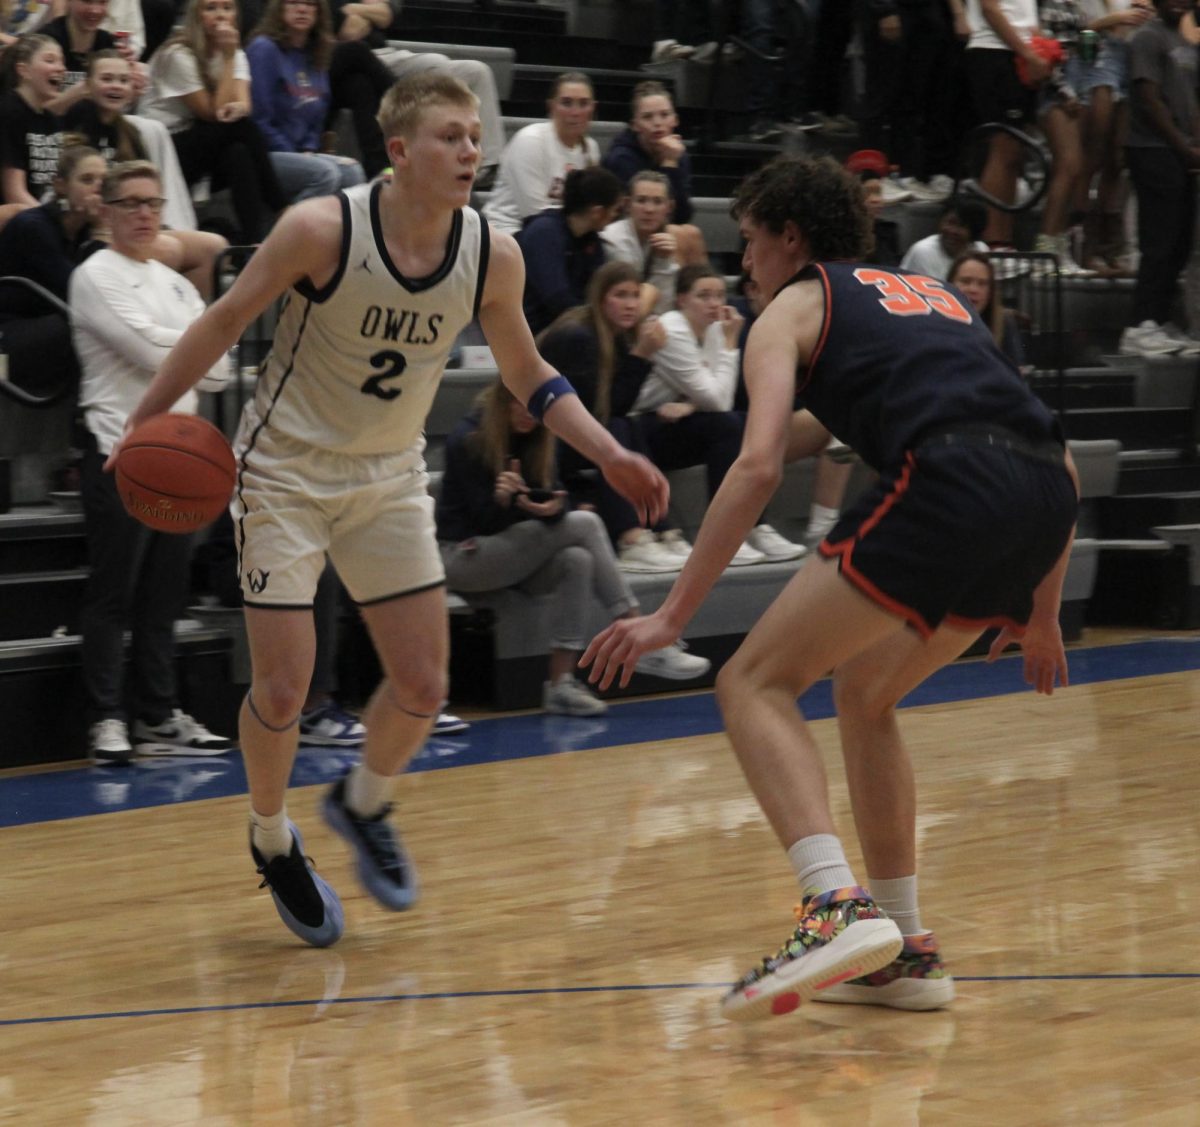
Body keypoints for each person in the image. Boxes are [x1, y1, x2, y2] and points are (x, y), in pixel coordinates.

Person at [109, 74, 668, 947]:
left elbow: (528, 375)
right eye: (451, 137)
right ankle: (270, 837)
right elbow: (222, 322)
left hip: (388, 477)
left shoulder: (494, 251)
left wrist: (612, 451)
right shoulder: (320, 229)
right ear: (399, 151)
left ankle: (360, 802)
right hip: (284, 473)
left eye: (476, 137)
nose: (471, 152)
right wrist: (146, 419)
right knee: (286, 688)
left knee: (423, 684)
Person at [582, 154, 1079, 1022]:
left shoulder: (792, 307)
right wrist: (1044, 613)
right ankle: (905, 952)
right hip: (1041, 498)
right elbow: (1053, 449)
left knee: (751, 679)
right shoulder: (934, 299)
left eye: (749, 243)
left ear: (791, 237)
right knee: (865, 691)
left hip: (951, 480)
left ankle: (833, 907)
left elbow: (758, 464)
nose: (743, 264)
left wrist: (671, 613)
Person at [69, 159, 234, 764]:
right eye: (130, 202)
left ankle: (159, 717)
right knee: (115, 593)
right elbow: (151, 350)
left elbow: (217, 372)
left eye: (152, 202)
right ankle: (107, 720)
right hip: (119, 452)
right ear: (105, 210)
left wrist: (187, 350)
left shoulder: (176, 284)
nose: (143, 213)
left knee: (165, 597)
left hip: (181, 461)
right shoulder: (94, 275)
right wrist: (193, 346)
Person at [437, 378, 711, 717]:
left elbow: (552, 497)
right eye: (517, 404)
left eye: (533, 408)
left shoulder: (539, 437)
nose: (526, 414)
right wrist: (502, 499)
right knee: (587, 524)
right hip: (463, 556)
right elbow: (479, 519)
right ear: (501, 401)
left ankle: (561, 684)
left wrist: (553, 510)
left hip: (512, 556)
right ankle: (638, 631)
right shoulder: (470, 437)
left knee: (576, 560)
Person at [141, 0, 287, 244]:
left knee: (238, 152)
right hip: (166, 145)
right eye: (211, 8)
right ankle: (281, 206)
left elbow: (243, 106)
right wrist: (228, 59)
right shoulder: (177, 53)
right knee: (239, 129)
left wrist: (231, 61)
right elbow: (215, 113)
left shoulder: (235, 51)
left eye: (227, 8)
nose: (220, 15)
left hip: (207, 140)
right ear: (196, 16)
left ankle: (252, 244)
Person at [1118, 0, 1199, 357]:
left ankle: (1158, 320)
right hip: (1152, 148)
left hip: (1182, 152)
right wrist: (1182, 147)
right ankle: (1139, 326)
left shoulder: (1185, 40)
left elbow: (1189, 101)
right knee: (1160, 241)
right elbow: (1149, 99)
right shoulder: (1147, 37)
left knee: (1180, 242)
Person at [0, 143, 105, 398]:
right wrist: (104, 231)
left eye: (104, 181)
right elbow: (82, 291)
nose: (98, 188)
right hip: (5, 340)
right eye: (87, 179)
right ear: (60, 186)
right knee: (86, 324)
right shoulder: (33, 227)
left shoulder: (83, 233)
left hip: (39, 330)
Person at [246, 0, 366, 202]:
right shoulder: (264, 49)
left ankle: (334, 232)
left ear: (318, 12)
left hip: (302, 154)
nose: (302, 9)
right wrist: (296, 154)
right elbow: (258, 120)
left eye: (310, 4)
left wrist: (309, 149)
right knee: (326, 174)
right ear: (280, 8)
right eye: (293, 2)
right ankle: (290, 230)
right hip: (267, 153)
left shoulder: (317, 52)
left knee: (353, 172)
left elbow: (318, 116)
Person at [482, 71, 598, 236]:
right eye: (566, 103)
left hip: (560, 234)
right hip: (507, 231)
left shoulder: (591, 149)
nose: (575, 112)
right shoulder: (530, 140)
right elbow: (536, 215)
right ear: (551, 107)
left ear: (593, 108)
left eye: (583, 103)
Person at [516, 165, 623, 336]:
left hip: (566, 327)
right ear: (598, 212)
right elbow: (556, 298)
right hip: (529, 331)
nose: (614, 217)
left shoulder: (591, 240)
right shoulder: (544, 233)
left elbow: (598, 289)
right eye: (614, 211)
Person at [602, 81, 698, 231]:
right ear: (635, 125)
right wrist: (669, 163)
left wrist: (671, 161)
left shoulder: (679, 154)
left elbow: (682, 215)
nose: (657, 123)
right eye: (648, 117)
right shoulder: (621, 158)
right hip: (623, 231)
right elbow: (644, 217)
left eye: (664, 115)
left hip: (659, 233)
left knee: (689, 233)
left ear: (675, 120)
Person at [599, 169, 686, 315]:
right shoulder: (612, 240)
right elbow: (631, 308)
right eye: (641, 200)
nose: (649, 209)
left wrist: (663, 261)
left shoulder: (665, 239)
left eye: (658, 202)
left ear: (669, 207)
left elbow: (663, 308)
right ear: (627, 204)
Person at [0, 35, 65, 229]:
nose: (61, 68)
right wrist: (57, 227)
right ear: (24, 70)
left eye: (62, 61)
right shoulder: (9, 112)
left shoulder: (51, 119)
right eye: (50, 60)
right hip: (15, 218)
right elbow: (14, 193)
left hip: (39, 213)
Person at [947, 249, 1026, 368]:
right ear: (949, 285)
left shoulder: (1004, 322)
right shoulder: (934, 322)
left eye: (982, 283)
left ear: (990, 292)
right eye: (965, 281)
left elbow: (1016, 375)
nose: (973, 289)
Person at [899, 195, 989, 279]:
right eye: (950, 222)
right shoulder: (923, 252)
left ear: (974, 232)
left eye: (961, 226)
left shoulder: (981, 250)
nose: (952, 231)